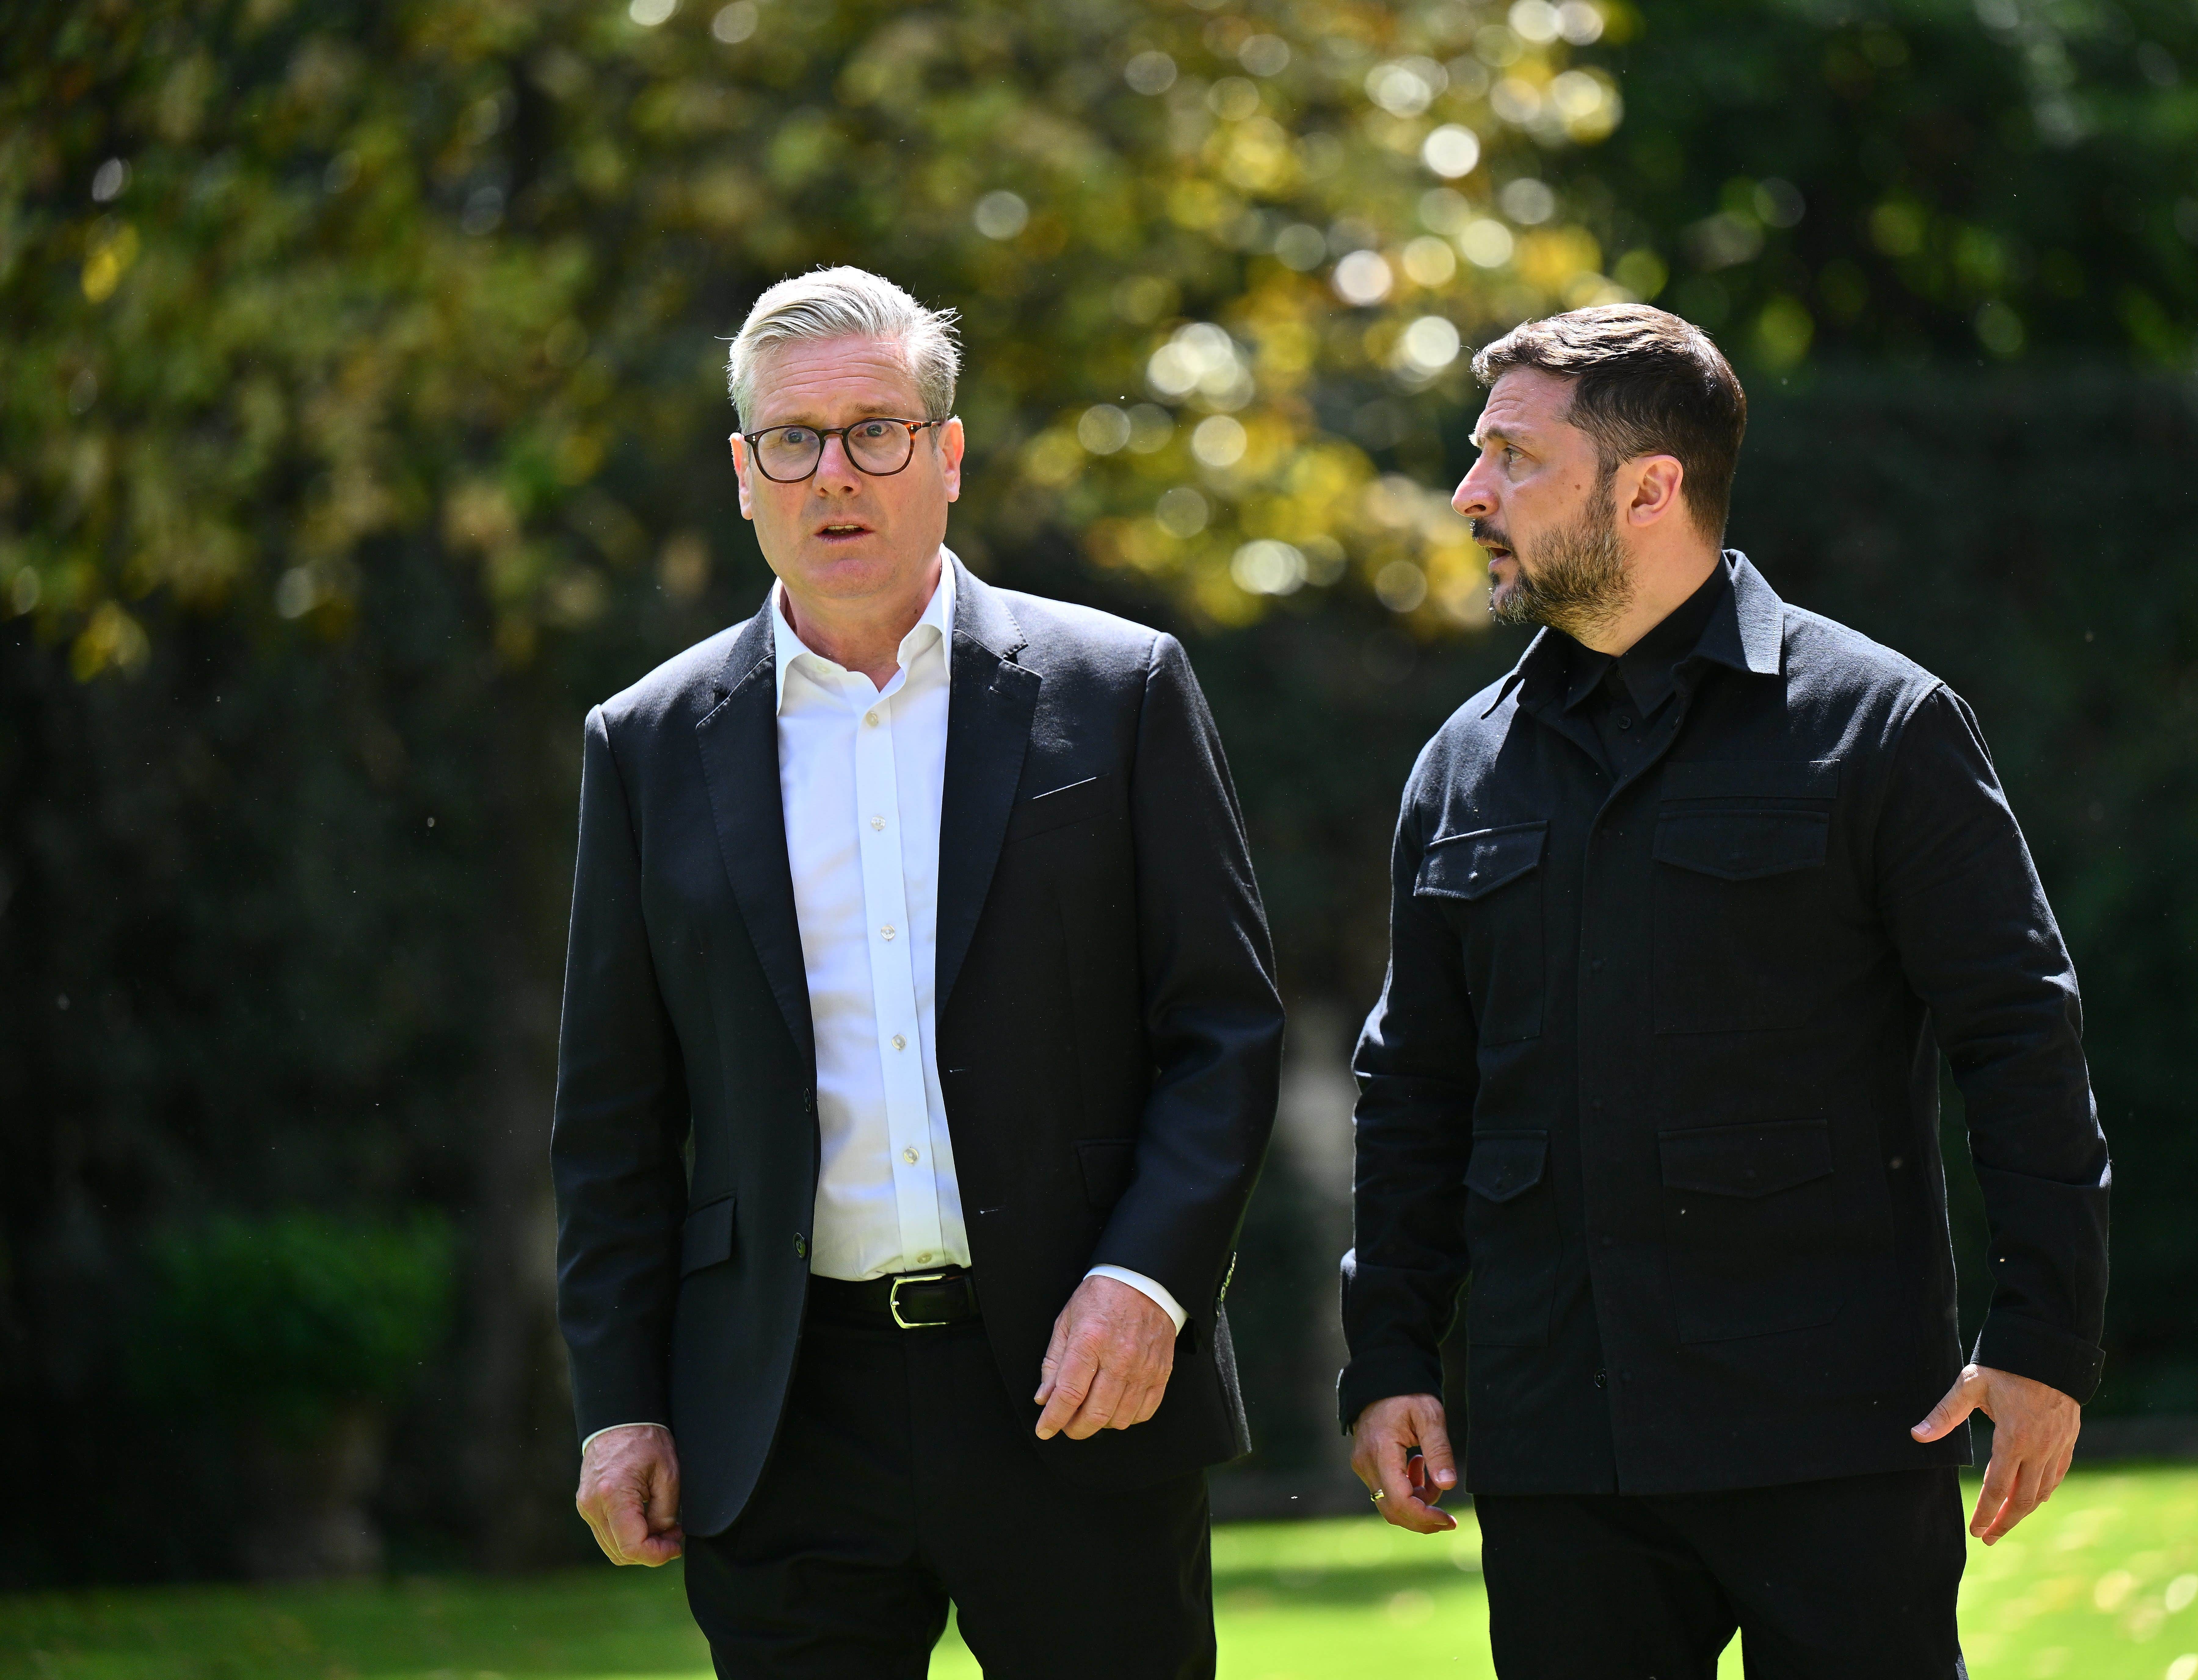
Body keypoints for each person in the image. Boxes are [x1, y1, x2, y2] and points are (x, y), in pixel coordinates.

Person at [1339, 304, 2109, 1677]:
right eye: (1478, 457)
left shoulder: (1882, 726)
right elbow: (1414, 1086)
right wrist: (1389, 1350)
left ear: (1649, 486)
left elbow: (2018, 1031)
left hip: (1836, 1431)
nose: (1471, 495)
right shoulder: (1461, 767)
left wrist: (2044, 1335)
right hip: (1558, 1449)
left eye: (1513, 458)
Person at [550, 266, 1281, 1679]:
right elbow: (612, 1116)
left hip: (1080, 1389)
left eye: (878, 430)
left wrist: (1149, 1280)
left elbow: (1225, 1029)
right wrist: (620, 1403)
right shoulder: (645, 742)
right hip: (780, 1413)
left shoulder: (1119, 690)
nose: (837, 474)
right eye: (794, 440)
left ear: (948, 457)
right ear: (744, 473)